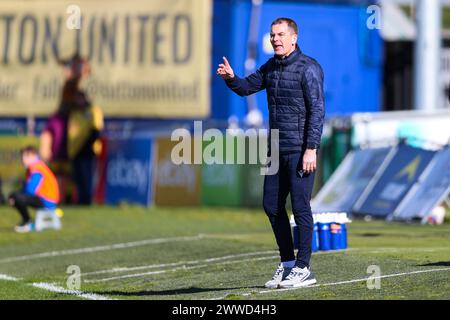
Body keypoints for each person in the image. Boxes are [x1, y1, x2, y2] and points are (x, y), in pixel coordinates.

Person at [217, 17, 325, 288]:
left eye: (280, 35)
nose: (275, 39)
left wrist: (311, 149)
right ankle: (288, 264)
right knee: (272, 206)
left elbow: (317, 111)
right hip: (276, 149)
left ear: (293, 38)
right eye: (272, 35)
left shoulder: (309, 68)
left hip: (301, 150)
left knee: (300, 207)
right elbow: (246, 88)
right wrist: (231, 78)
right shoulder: (271, 67)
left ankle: (304, 268)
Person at [63, 54, 104, 205]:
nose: (78, 100)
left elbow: (95, 131)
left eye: (81, 97)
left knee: (87, 178)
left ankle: (86, 202)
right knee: (77, 179)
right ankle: (79, 201)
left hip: (87, 151)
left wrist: (85, 147)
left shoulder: (93, 110)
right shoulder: (74, 112)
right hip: (74, 151)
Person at [8, 146, 60, 233]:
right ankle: (27, 221)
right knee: (14, 196)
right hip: (45, 199)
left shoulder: (36, 168)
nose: (23, 160)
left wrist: (16, 197)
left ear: (33, 156)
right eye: (22, 157)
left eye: (25, 157)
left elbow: (31, 190)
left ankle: (27, 222)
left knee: (17, 197)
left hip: (47, 200)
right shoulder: (34, 167)